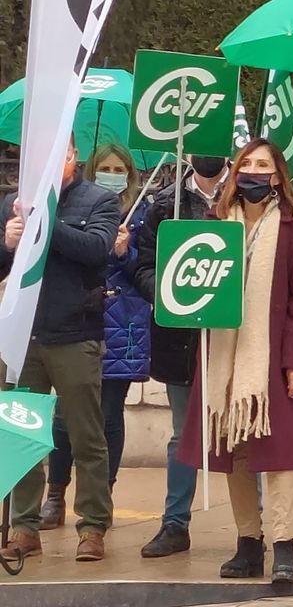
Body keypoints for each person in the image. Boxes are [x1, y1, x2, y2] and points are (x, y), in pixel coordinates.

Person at [178, 140, 293, 586]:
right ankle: (247, 543)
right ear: (234, 172)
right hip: (222, 355)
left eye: (264, 165)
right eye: (247, 164)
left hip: (272, 358)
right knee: (233, 448)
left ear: (278, 176)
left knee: (278, 456)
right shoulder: (216, 223)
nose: (254, 172)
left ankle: (284, 547)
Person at [0, 136, 118, 564]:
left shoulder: (98, 200)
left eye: (62, 153)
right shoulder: (15, 202)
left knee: (87, 436)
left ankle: (92, 526)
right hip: (24, 338)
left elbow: (96, 250)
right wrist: (9, 243)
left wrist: (46, 222)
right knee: (22, 436)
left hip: (75, 335)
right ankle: (24, 527)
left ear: (74, 157)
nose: (53, 162)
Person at [42, 143, 151, 530]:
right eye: (104, 166)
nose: (111, 173)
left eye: (119, 168)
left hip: (124, 324)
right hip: (76, 318)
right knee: (61, 417)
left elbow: (147, 268)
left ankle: (100, 497)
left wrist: (124, 252)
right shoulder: (78, 203)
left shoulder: (142, 214)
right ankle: (55, 494)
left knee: (105, 417)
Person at [133, 151, 230, 558]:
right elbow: (143, 267)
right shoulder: (164, 204)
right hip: (181, 339)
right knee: (181, 435)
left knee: (246, 437)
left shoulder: (248, 198)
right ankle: (175, 524)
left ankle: (256, 527)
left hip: (232, 336)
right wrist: (173, 295)